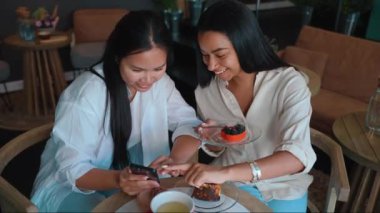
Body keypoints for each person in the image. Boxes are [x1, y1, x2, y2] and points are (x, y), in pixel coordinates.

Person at [30, 10, 202, 212]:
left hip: (124, 171)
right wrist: (119, 179)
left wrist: (175, 159)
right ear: (117, 57)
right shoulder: (85, 95)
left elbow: (189, 124)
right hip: (72, 184)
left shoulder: (161, 84)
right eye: (136, 70)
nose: (148, 80)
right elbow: (72, 170)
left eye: (158, 68)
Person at [165, 0, 317, 212]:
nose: (210, 65)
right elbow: (219, 150)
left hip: (283, 186)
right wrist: (215, 138)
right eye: (204, 55)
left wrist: (225, 173)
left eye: (220, 54)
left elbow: (297, 156)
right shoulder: (206, 91)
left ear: (245, 43)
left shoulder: (289, 84)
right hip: (230, 184)